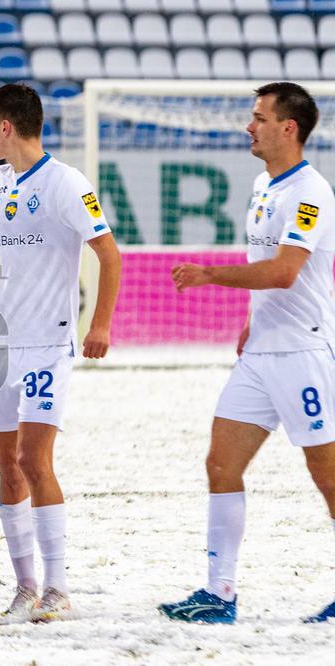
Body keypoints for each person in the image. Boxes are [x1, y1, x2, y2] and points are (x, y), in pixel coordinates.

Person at [0, 83, 122, 623]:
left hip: (47, 343)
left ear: (6, 126)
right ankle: (26, 588)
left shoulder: (66, 183)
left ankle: (58, 588)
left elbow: (109, 255)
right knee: (7, 467)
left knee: (34, 459)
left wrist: (100, 324)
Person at [160, 82, 335, 625]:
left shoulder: (311, 192)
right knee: (220, 464)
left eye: (259, 117)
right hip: (261, 353)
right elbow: (271, 272)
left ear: (289, 127)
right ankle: (220, 594)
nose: (249, 126)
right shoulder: (264, 185)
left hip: (304, 353)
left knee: (327, 477)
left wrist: (210, 275)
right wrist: (252, 320)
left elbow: (284, 272)